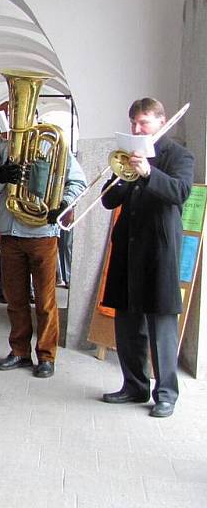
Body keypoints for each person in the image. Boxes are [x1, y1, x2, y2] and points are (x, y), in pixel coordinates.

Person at [101, 98, 193, 418]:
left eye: (143, 123)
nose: (137, 129)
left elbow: (180, 192)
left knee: (161, 325)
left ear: (161, 122)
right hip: (128, 248)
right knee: (127, 322)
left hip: (158, 251)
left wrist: (147, 172)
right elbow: (108, 200)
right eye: (133, 124)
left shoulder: (178, 155)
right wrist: (123, 175)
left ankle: (166, 393)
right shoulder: (127, 157)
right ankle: (134, 385)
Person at [0, 127, 86, 378]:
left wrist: (62, 204)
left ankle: (46, 355)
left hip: (42, 233)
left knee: (44, 299)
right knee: (15, 297)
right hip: (10, 232)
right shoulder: (2, 149)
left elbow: (78, 182)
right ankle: (19, 351)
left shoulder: (52, 147)